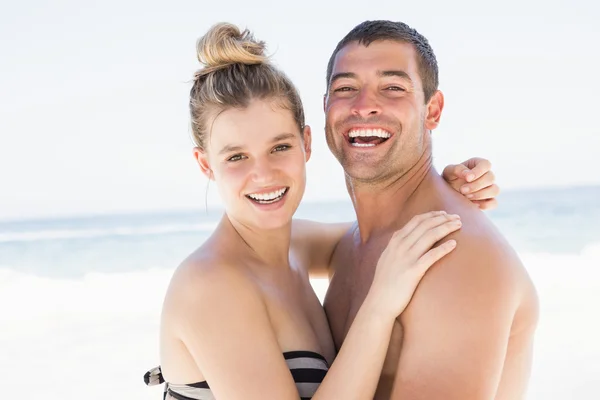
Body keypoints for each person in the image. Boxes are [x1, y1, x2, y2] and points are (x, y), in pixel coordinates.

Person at [144, 23, 500, 400]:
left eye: (279, 147)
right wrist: (379, 307)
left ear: (306, 143)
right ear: (206, 165)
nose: (263, 174)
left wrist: (449, 188)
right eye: (236, 157)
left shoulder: (291, 247)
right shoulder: (211, 285)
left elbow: (376, 233)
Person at [322, 20, 539, 399]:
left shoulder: (454, 255)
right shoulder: (352, 243)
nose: (364, 106)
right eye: (345, 88)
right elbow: (259, 243)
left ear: (432, 110)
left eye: (392, 88)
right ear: (325, 108)